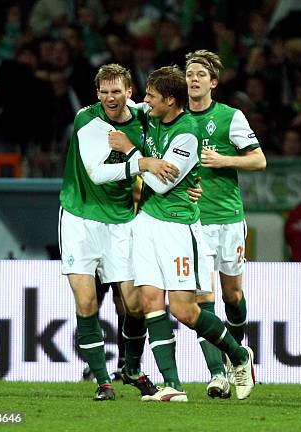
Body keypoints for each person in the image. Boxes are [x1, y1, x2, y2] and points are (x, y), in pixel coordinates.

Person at [109, 65, 256, 402]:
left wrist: (133, 153)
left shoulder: (187, 133)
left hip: (177, 227)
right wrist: (109, 96)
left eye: (152, 97)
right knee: (149, 301)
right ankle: (172, 385)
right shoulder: (152, 114)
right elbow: (125, 106)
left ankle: (238, 354)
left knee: (184, 310)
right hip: (146, 222)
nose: (145, 101)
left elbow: (162, 183)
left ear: (170, 101)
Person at [59, 63, 178, 401]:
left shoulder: (143, 117)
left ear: (130, 92)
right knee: (86, 301)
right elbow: (97, 173)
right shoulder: (88, 120)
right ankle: (102, 381)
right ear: (97, 93)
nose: (111, 97)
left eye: (117, 91)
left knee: (135, 304)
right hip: (80, 219)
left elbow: (169, 116)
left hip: (123, 222)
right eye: (105, 91)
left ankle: (131, 367)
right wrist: (141, 162)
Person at [184, 49, 266, 399]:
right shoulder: (174, 117)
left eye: (201, 74)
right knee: (203, 298)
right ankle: (217, 373)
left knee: (232, 295)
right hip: (193, 221)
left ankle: (238, 355)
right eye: (189, 73)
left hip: (229, 218)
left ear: (213, 82)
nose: (194, 79)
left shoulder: (230, 117)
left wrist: (222, 159)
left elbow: (259, 161)